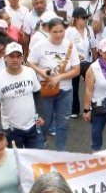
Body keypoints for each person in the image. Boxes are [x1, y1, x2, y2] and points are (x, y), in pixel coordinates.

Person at [27, 18, 80, 151]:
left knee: (63, 123)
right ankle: (41, 145)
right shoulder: (40, 45)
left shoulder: (70, 46)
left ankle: (61, 151)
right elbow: (29, 62)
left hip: (65, 91)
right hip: (46, 91)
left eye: (61, 31)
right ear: (48, 31)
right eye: (55, 32)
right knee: (44, 122)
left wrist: (60, 77)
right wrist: (41, 71)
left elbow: (76, 70)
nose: (58, 35)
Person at [0, 43, 45, 149]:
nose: (15, 59)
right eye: (12, 56)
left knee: (36, 161)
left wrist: (40, 113)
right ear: (5, 58)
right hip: (11, 130)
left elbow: (37, 93)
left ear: (23, 58)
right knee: (16, 163)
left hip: (33, 126)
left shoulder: (30, 72)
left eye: (18, 56)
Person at [66, 7, 97, 118]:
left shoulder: (89, 29)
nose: (85, 20)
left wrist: (95, 61)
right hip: (74, 63)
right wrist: (74, 56)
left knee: (91, 84)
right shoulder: (69, 31)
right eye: (83, 18)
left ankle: (91, 106)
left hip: (87, 62)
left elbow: (93, 46)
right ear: (76, 19)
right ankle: (74, 110)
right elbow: (65, 47)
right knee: (74, 86)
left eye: (86, 17)